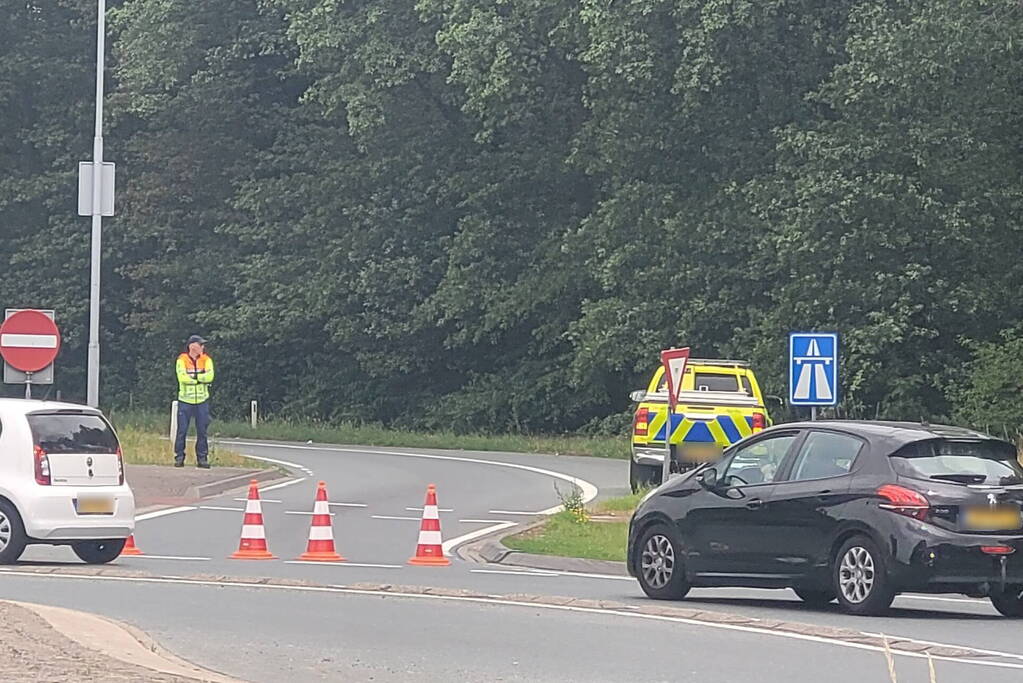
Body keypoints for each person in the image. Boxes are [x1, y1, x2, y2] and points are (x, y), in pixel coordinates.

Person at [174, 335, 215, 468]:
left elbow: (210, 377)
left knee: (202, 430)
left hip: (202, 400)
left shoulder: (206, 360)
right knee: (182, 430)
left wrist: (194, 377)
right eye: (200, 344)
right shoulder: (182, 360)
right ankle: (179, 457)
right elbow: (182, 378)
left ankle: (202, 458)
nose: (203, 347)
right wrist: (199, 379)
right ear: (192, 346)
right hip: (185, 400)